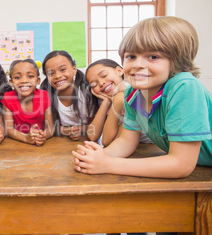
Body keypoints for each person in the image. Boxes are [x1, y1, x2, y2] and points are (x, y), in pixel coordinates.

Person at [72, 16, 212, 178]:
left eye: (153, 56)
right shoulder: (132, 94)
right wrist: (99, 156)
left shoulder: (184, 87)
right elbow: (126, 141)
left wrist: (109, 164)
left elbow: (181, 164)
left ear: (177, 61)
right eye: (131, 56)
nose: (137, 65)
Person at [85, 59, 152, 146]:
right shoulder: (107, 99)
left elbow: (108, 141)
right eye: (94, 84)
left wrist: (118, 102)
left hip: (153, 146)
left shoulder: (135, 95)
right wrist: (106, 102)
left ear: (119, 71)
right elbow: (93, 135)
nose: (101, 83)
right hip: (133, 147)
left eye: (104, 75)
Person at [40, 50, 99, 141]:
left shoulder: (87, 92)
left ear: (74, 69)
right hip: (60, 143)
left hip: (88, 140)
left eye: (63, 70)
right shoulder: (45, 94)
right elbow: (51, 127)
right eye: (51, 73)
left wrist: (76, 130)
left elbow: (95, 125)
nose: (58, 76)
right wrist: (68, 131)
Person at [2, 59, 54, 146]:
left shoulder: (44, 96)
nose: (24, 81)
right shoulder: (7, 98)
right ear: (11, 82)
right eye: (17, 77)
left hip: (39, 144)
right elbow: (9, 129)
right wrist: (26, 138)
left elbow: (51, 127)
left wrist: (42, 137)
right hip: (16, 144)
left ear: (38, 81)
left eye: (30, 76)